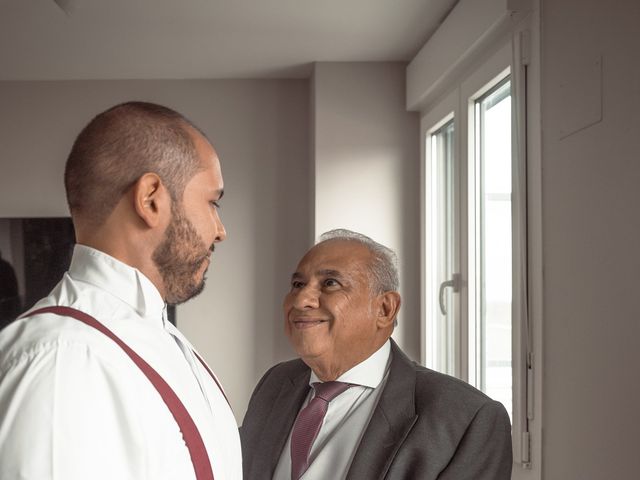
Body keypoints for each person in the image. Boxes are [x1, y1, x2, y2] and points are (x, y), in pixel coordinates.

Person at [0, 102, 242, 480]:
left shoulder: (162, 340)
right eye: (213, 202)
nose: (220, 230)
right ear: (150, 199)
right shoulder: (63, 360)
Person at [240, 229, 512, 480]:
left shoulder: (467, 419)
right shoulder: (275, 384)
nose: (301, 301)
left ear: (385, 309)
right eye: (298, 284)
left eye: (330, 283)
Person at [0, 249, 20, 331]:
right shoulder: (6, 266)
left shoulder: (5, 266)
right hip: (9, 303)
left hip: (6, 304)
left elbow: (12, 287)